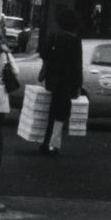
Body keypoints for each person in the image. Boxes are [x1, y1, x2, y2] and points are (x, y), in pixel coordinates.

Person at [37, 8, 84, 155]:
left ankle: (45, 142)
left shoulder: (54, 37)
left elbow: (44, 54)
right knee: (61, 113)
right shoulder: (75, 41)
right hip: (67, 81)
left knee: (51, 112)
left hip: (53, 79)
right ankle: (54, 145)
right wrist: (78, 85)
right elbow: (78, 65)